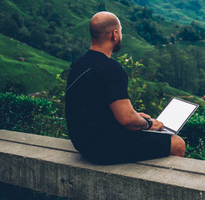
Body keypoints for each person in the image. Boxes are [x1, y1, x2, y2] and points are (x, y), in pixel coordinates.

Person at [65, 11, 185, 164]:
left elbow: (92, 108)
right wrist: (148, 124)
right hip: (103, 148)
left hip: (83, 143)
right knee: (177, 143)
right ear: (114, 35)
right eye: (121, 31)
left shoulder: (79, 64)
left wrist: (136, 116)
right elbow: (128, 120)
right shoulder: (111, 68)